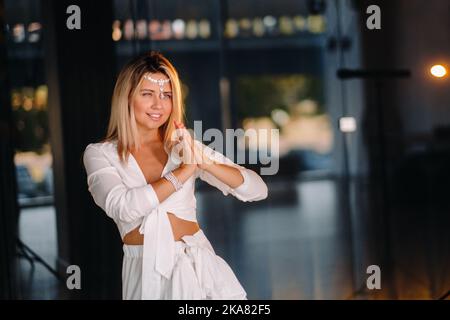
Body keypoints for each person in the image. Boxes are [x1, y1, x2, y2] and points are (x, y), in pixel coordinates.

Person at [83, 51, 268, 300]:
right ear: (126, 98)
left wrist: (203, 162)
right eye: (147, 94)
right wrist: (184, 172)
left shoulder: (183, 146)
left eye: (167, 96)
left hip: (198, 266)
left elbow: (257, 190)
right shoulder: (100, 154)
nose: (159, 105)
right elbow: (123, 207)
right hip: (145, 270)